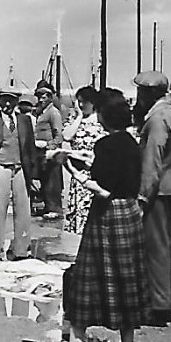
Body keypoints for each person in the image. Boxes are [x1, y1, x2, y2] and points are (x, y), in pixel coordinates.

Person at [42, 90, 148, 342]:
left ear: (104, 116)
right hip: (130, 214)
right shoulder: (132, 144)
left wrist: (68, 166)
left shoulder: (105, 145)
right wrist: (77, 158)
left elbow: (100, 186)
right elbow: (117, 175)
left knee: (86, 281)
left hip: (106, 215)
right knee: (126, 282)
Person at [134, 70, 171, 327]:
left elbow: (152, 162)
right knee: (165, 247)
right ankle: (164, 301)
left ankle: (158, 305)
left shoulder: (156, 120)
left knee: (155, 250)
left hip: (158, 193)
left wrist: (142, 197)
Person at [0, 87, 37, 260]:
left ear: (17, 102)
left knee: (23, 210)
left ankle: (21, 250)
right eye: (3, 99)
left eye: (11, 100)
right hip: (0, 167)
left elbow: (30, 148)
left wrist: (34, 175)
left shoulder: (25, 120)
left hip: (21, 169)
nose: (7, 104)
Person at [62, 86, 105, 236]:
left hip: (95, 173)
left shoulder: (100, 120)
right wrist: (79, 117)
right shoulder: (74, 120)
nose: (81, 105)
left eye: (84, 102)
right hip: (78, 174)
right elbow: (66, 136)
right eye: (79, 102)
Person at [33, 81, 64, 220]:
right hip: (40, 154)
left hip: (50, 153)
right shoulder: (40, 112)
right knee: (45, 180)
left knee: (53, 180)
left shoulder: (53, 113)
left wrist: (47, 146)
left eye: (44, 96)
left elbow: (59, 137)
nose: (41, 99)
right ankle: (47, 206)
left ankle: (54, 208)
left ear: (50, 97)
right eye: (39, 96)